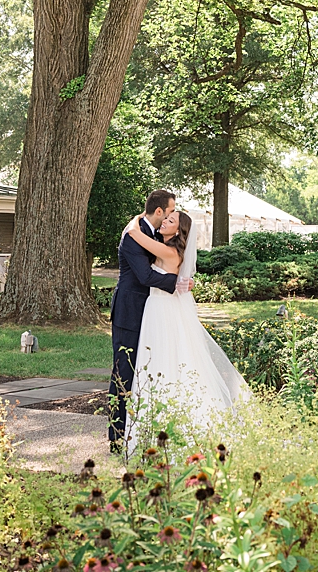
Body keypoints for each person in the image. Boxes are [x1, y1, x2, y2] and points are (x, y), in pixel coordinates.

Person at [122, 208, 248, 452]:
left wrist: (139, 216)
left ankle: (173, 429)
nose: (165, 221)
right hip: (158, 307)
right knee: (158, 361)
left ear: (178, 231)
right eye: (166, 218)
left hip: (162, 309)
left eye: (170, 220)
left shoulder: (168, 252)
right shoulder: (166, 247)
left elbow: (134, 233)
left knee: (162, 361)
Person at [108, 189, 188, 448]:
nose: (170, 216)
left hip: (152, 313)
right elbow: (145, 277)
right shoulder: (133, 235)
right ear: (159, 212)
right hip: (129, 312)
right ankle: (116, 438)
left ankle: (143, 430)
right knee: (124, 374)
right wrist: (178, 282)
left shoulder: (151, 235)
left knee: (148, 371)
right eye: (169, 212)